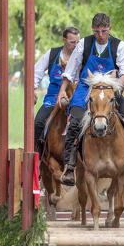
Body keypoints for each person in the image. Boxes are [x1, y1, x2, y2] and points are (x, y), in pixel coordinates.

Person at [56, 13, 124, 186]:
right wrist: (62, 91)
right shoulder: (84, 44)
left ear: (110, 29)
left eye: (104, 31)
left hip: (111, 90)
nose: (100, 35)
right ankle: (69, 167)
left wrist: (117, 87)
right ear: (93, 30)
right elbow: (70, 71)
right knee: (75, 123)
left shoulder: (118, 45)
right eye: (97, 31)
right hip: (86, 90)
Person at [33, 26, 80, 156]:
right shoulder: (52, 54)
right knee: (38, 123)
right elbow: (36, 72)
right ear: (64, 40)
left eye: (78, 42)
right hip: (53, 99)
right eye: (72, 42)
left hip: (76, 99)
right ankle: (38, 158)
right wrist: (32, 89)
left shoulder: (82, 56)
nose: (76, 45)